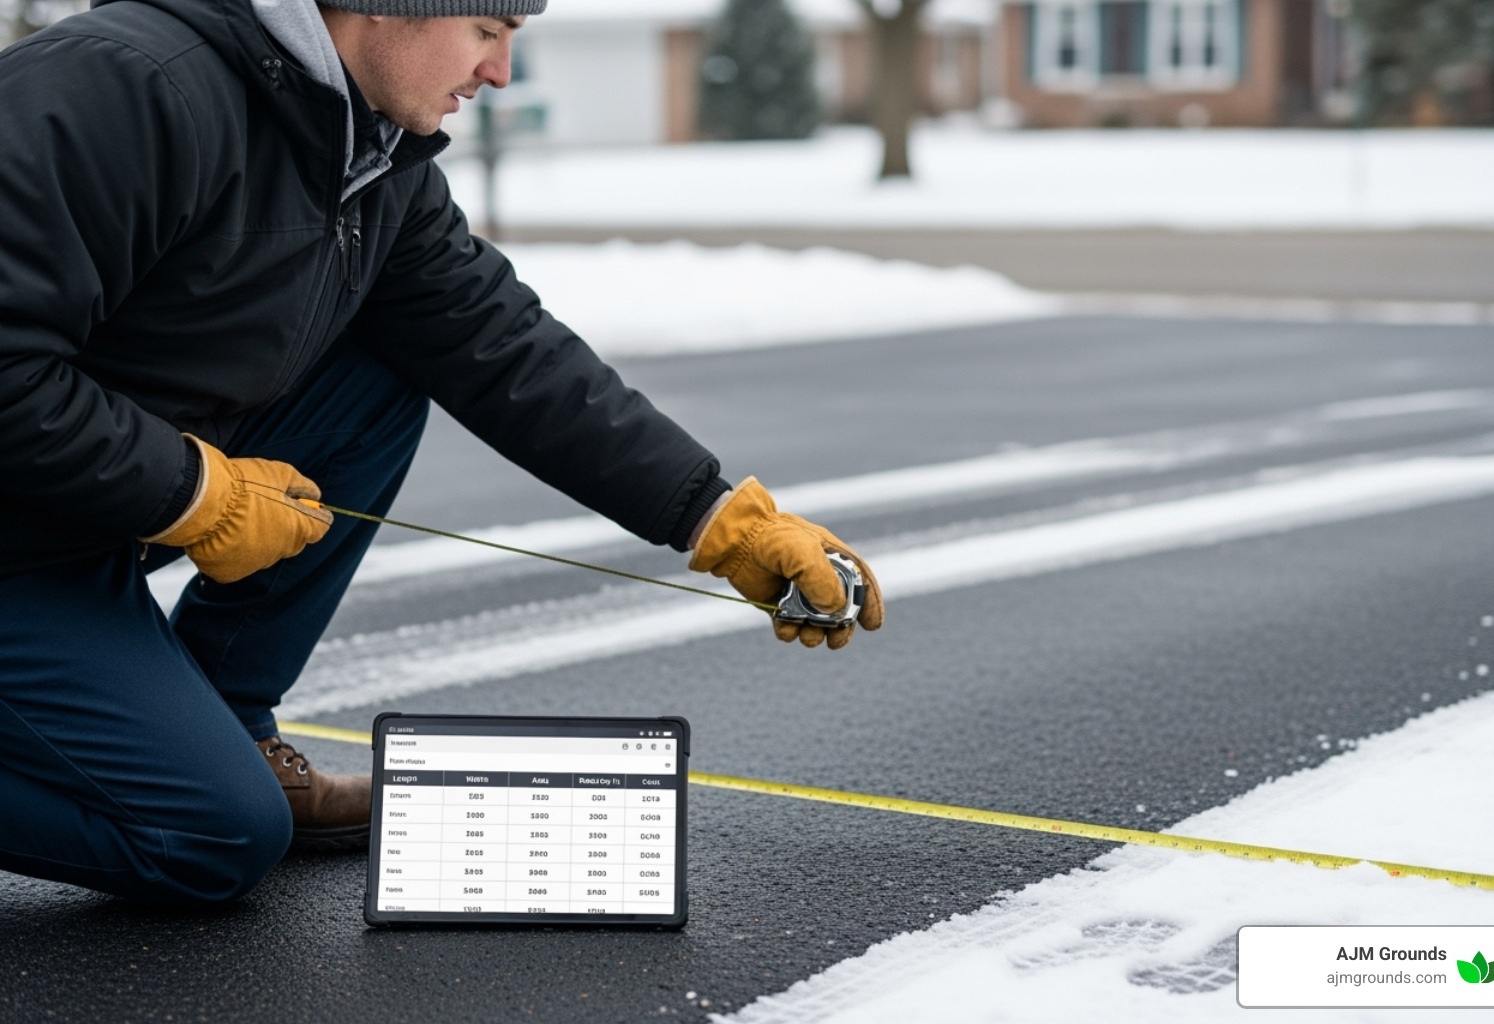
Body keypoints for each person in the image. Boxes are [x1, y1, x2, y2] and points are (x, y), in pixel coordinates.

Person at [0, 0, 883, 905]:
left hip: (80, 508)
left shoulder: (367, 150)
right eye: (489, 32)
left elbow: (495, 344)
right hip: (22, 539)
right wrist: (191, 493)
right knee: (211, 836)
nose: (498, 74)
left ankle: (228, 719)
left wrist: (715, 517)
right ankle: (209, 782)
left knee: (380, 375)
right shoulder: (127, 88)